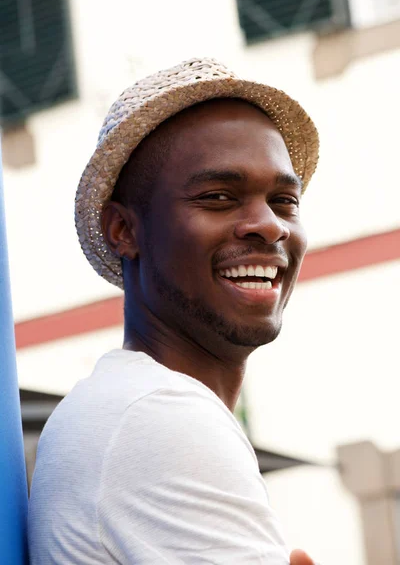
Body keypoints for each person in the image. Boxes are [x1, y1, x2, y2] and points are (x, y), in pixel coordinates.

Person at [28, 58, 320, 564]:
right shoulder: (156, 417)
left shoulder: (129, 406)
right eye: (218, 197)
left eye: (284, 200)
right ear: (124, 230)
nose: (269, 226)